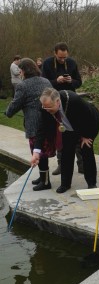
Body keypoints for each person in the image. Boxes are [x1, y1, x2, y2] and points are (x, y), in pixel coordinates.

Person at [31, 87, 99, 193]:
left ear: (57, 102)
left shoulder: (74, 100)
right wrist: (36, 152)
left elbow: (89, 117)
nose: (47, 110)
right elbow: (42, 129)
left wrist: (86, 136)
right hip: (67, 127)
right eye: (45, 108)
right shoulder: (45, 107)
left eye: (49, 108)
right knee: (66, 152)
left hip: (87, 123)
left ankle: (91, 183)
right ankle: (65, 184)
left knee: (86, 150)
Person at [6, 58, 53, 191]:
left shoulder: (23, 85)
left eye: (20, 70)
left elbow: (16, 103)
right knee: (42, 150)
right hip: (48, 121)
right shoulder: (45, 81)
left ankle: (45, 182)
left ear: (23, 71)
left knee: (38, 152)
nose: (20, 73)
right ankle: (43, 177)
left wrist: (8, 113)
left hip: (34, 123)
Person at [42, 42, 83, 176]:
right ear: (55, 53)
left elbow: (79, 82)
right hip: (55, 104)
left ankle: (81, 164)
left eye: (65, 57)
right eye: (60, 57)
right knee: (60, 133)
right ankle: (61, 164)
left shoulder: (72, 63)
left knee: (76, 131)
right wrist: (56, 81)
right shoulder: (48, 63)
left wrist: (71, 81)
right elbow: (44, 83)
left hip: (71, 101)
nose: (63, 60)